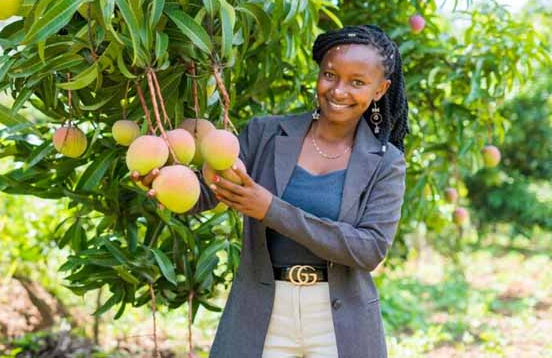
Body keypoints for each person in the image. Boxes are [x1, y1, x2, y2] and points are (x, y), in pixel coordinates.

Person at [132, 24, 409, 358]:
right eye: (330, 75)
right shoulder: (265, 133)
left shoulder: (385, 162)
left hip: (338, 319)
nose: (338, 90)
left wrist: (271, 210)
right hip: (262, 310)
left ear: (380, 90)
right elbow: (210, 193)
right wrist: (164, 180)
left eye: (357, 82)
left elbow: (369, 249)